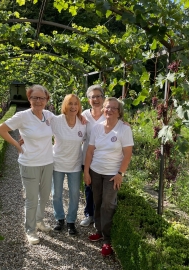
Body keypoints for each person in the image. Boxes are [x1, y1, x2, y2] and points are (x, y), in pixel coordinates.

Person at [0, 84, 54, 245]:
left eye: (42, 98)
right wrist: (16, 144)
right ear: (29, 98)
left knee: (44, 196)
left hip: (48, 162)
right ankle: (30, 230)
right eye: (34, 97)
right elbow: (0, 129)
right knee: (32, 199)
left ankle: (39, 221)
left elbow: (67, 123)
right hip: (29, 163)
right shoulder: (22, 116)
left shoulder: (49, 115)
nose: (38, 101)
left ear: (46, 100)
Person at [84, 97, 134, 256]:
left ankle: (107, 240)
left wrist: (120, 174)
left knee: (108, 204)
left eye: (114, 108)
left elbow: (127, 154)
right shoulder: (97, 128)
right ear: (103, 109)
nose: (109, 110)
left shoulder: (124, 129)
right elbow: (90, 151)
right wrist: (86, 172)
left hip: (112, 174)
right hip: (95, 171)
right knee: (97, 201)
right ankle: (99, 230)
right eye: (107, 107)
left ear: (119, 112)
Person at [51, 94, 86, 235]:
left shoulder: (83, 123)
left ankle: (71, 221)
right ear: (65, 105)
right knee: (56, 194)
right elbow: (40, 128)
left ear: (79, 106)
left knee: (74, 195)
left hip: (75, 165)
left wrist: (122, 121)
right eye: (70, 103)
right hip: (57, 163)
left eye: (75, 104)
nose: (73, 107)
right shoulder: (56, 120)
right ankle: (59, 218)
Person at [80, 84, 106, 227]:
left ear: (103, 97)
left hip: (104, 158)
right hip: (87, 157)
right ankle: (89, 214)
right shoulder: (84, 115)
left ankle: (99, 216)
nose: (95, 99)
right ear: (88, 99)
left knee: (102, 189)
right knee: (89, 187)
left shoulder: (109, 113)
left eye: (98, 96)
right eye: (92, 97)